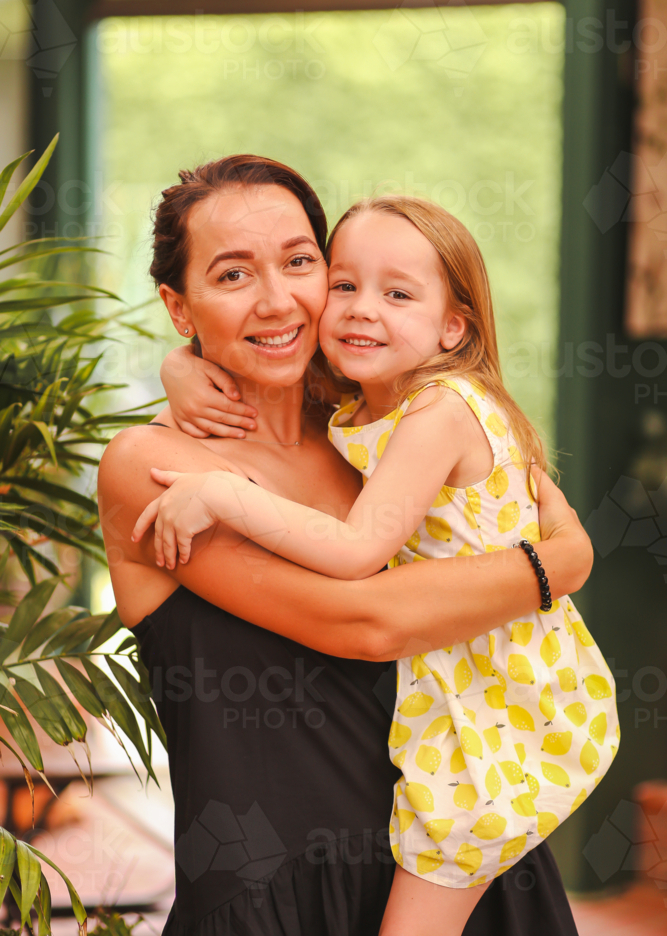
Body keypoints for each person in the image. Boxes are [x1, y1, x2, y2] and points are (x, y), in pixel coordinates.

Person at [99, 155, 592, 936]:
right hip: (276, 896)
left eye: (299, 263)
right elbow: (366, 624)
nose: (277, 299)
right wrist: (552, 565)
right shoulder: (150, 468)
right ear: (178, 306)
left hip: (455, 862)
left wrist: (190, 361)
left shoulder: (367, 432)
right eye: (232, 275)